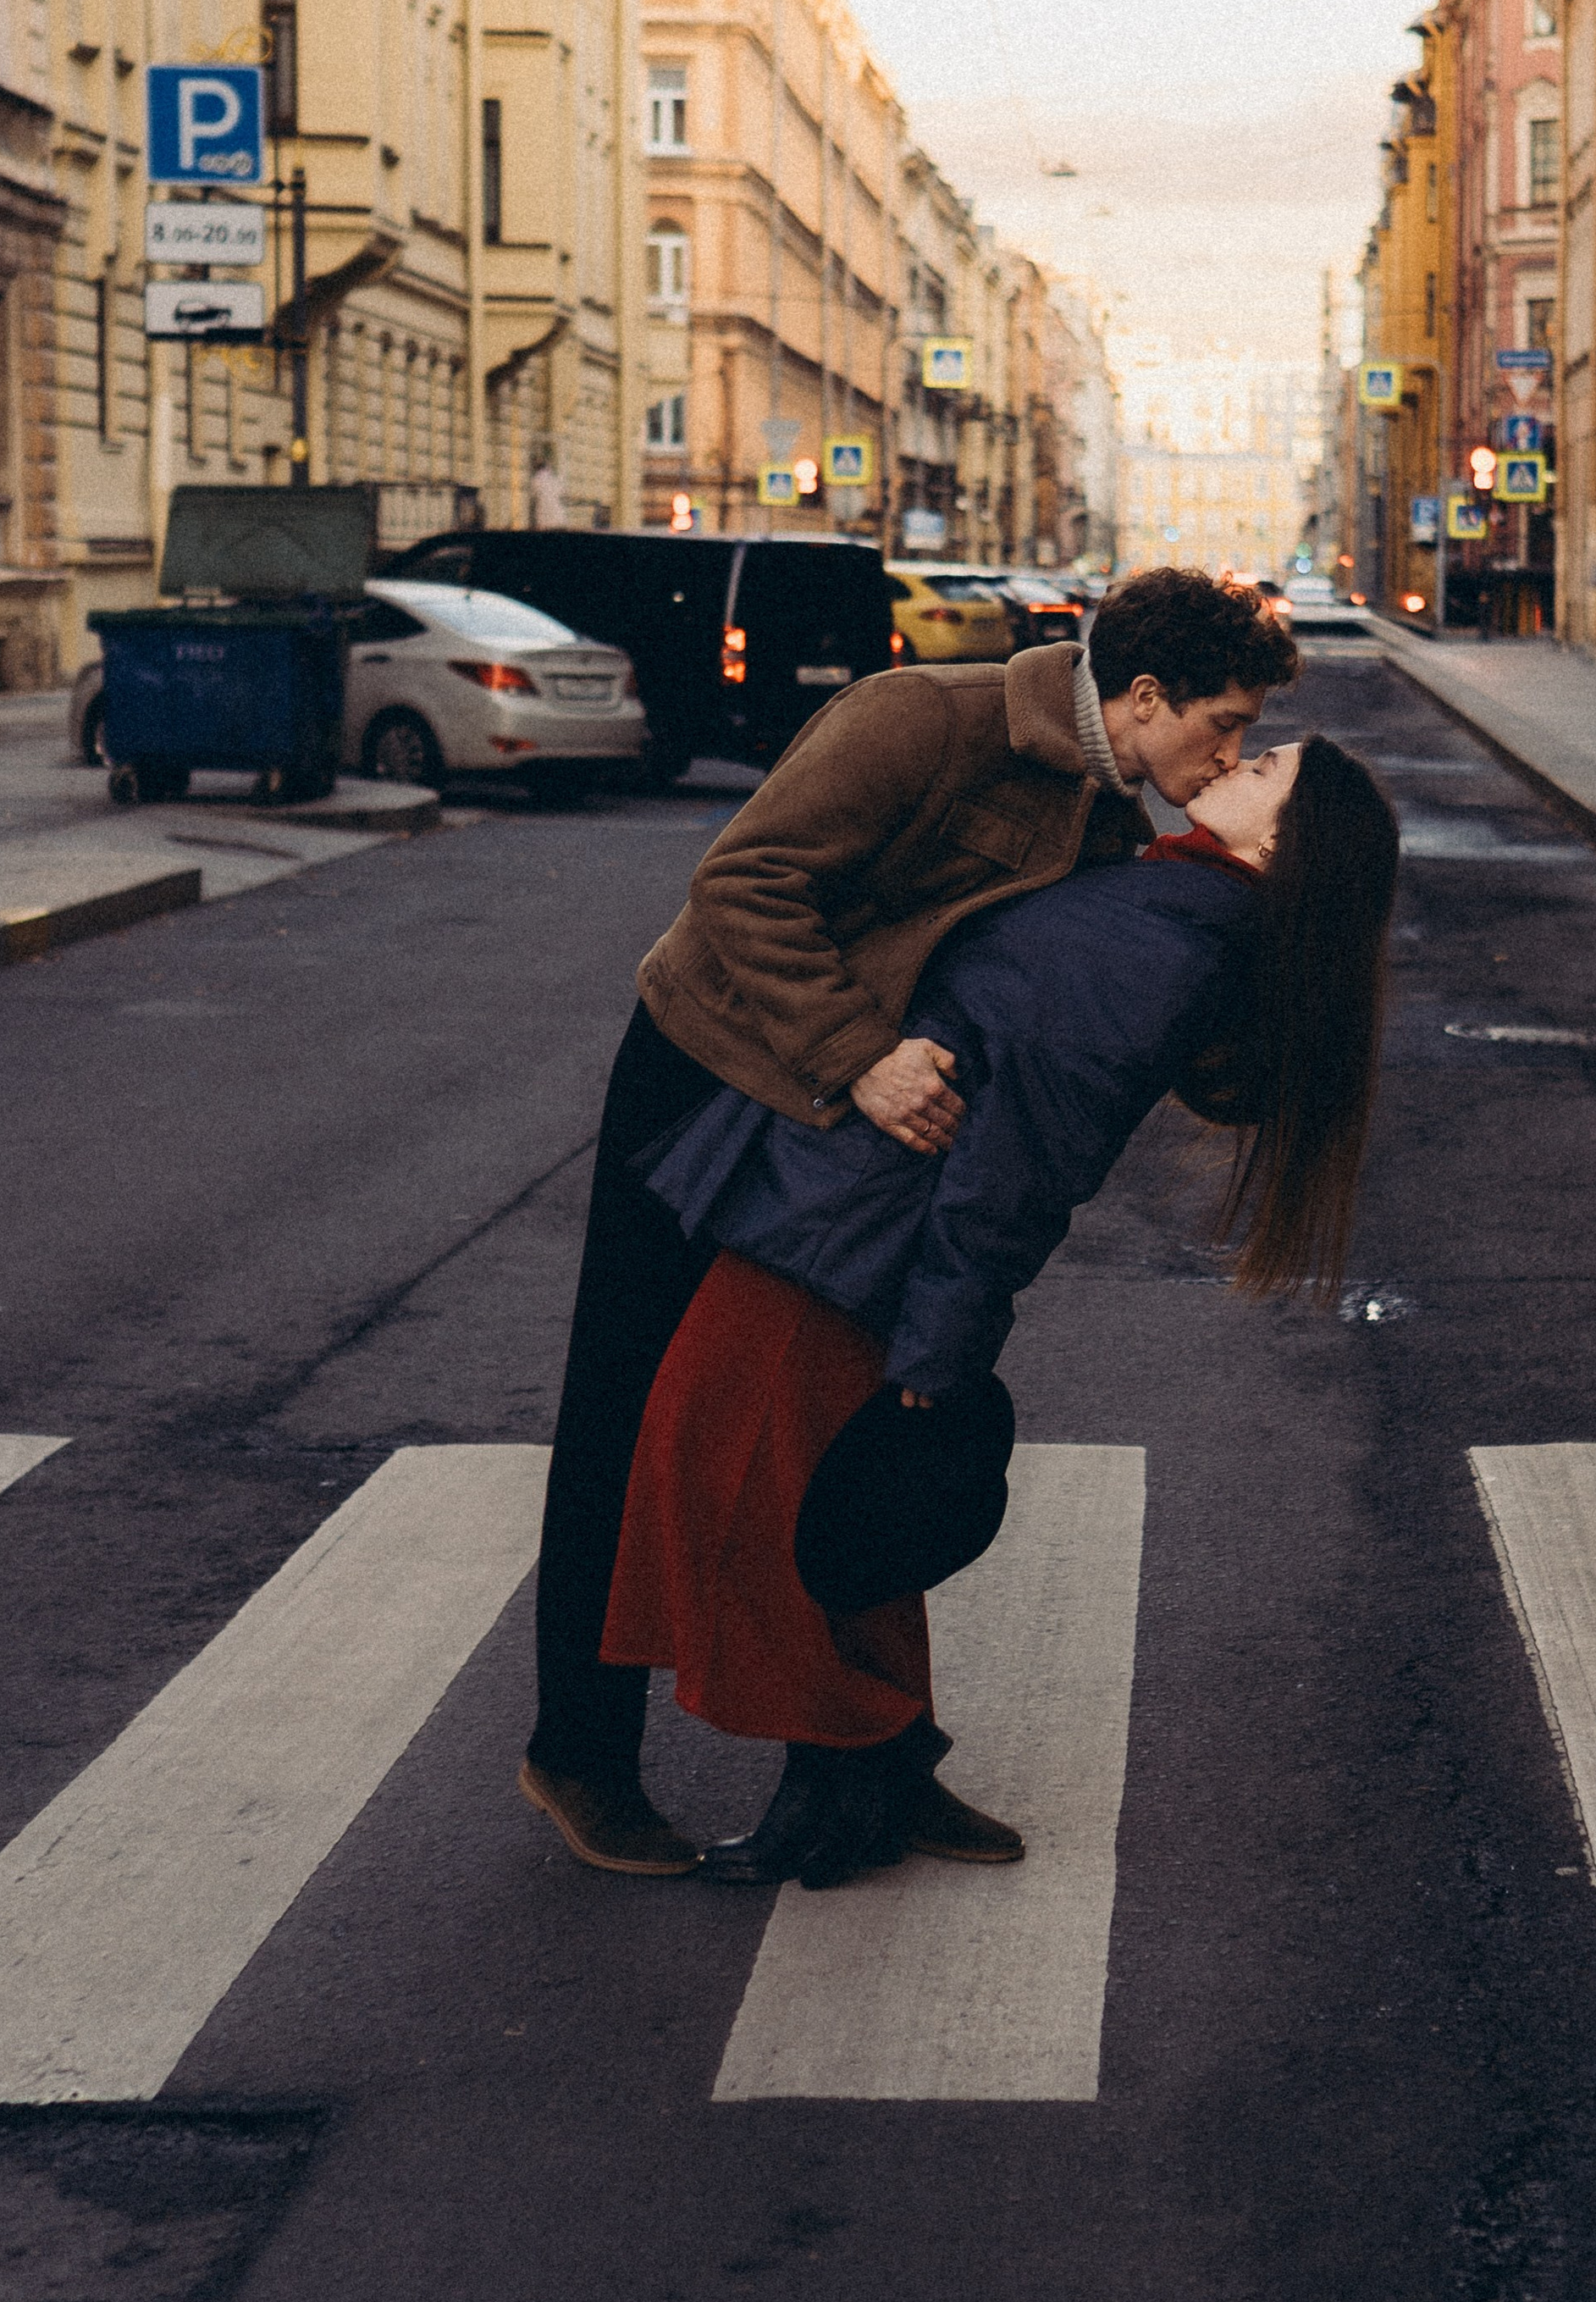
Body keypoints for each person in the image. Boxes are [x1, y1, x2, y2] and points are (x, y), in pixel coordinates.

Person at [519, 567, 1300, 1874]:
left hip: (850, 1137)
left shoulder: (1114, 811)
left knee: (849, 1442)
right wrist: (860, 1055)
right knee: (628, 1407)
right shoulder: (923, 719)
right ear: (1145, 694)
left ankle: (878, 1760)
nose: (1228, 754)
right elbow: (743, 883)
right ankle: (578, 1756)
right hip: (711, 1068)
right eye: (1222, 725)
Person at [599, 732, 1402, 1890]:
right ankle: (891, 1760)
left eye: (1267, 760)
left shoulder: (1170, 945)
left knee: (727, 1488)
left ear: (1284, 842)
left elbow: (1022, 1161)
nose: (1238, 752)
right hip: (851, 1210)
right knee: (821, 1502)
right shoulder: (1175, 895)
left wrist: (943, 1345)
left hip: (852, 1230)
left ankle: (847, 1766)